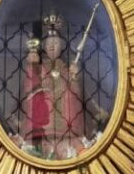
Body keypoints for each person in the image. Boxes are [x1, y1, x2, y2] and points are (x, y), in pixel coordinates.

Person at [20, 17, 87, 160]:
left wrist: (74, 77)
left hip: (66, 129)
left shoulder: (66, 69)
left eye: (55, 43)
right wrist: (32, 67)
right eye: (49, 43)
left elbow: (75, 94)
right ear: (43, 46)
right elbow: (29, 91)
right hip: (43, 127)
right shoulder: (38, 68)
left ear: (62, 46)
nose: (52, 46)